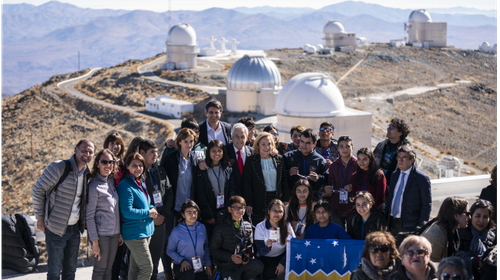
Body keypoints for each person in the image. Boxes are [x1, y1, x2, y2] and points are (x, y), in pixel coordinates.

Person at [32, 139, 95, 280]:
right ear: (76, 149)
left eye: (90, 152)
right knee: (54, 272)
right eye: (84, 150)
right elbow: (38, 191)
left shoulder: (87, 174)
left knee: (70, 272)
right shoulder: (59, 167)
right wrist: (40, 218)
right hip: (55, 228)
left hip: (74, 230)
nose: (87, 153)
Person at [161, 128, 200, 280]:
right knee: (168, 241)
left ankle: (181, 270)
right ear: (179, 142)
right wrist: (166, 207)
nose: (189, 144)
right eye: (186, 141)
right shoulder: (170, 159)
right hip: (172, 208)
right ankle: (167, 272)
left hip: (188, 210)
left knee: (185, 242)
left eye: (191, 141)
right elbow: (163, 184)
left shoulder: (195, 159)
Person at [117, 153, 158, 280]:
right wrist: (148, 213)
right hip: (134, 234)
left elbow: (147, 203)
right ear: (127, 166)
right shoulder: (125, 185)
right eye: (134, 165)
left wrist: (152, 208)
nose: (138, 168)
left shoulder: (141, 182)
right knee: (147, 268)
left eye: (140, 165)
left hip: (145, 231)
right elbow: (127, 211)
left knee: (134, 269)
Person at [138, 139, 174, 280]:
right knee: (143, 263)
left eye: (157, 152)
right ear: (142, 153)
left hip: (161, 222)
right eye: (152, 152)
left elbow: (169, 192)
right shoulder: (138, 172)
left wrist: (163, 215)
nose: (155, 155)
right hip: (145, 222)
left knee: (155, 260)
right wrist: (154, 216)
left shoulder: (160, 170)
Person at [87, 149, 122, 280]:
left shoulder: (111, 181)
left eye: (111, 162)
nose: (108, 165)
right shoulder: (94, 186)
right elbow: (89, 216)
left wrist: (119, 232)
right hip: (101, 236)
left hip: (114, 235)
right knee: (99, 270)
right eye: (104, 162)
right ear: (97, 164)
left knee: (109, 269)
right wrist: (95, 242)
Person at [210, 196, 264, 280]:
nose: (239, 210)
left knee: (258, 266)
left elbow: (250, 246)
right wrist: (230, 257)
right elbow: (214, 250)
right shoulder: (220, 227)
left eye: (241, 207)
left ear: (245, 209)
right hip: (227, 265)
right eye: (235, 207)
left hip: (242, 264)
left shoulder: (248, 225)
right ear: (229, 209)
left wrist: (248, 256)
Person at [113, 136, 143, 280]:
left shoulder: (139, 174)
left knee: (131, 260)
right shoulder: (126, 173)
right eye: (138, 147)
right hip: (119, 218)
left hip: (134, 222)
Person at [244, 132, 290, 225]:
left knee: (276, 227)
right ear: (258, 145)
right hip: (258, 200)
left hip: (276, 199)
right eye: (263, 144)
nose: (266, 147)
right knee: (260, 227)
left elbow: (284, 181)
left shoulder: (279, 159)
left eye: (269, 144)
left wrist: (286, 200)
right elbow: (247, 183)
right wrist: (249, 203)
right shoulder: (251, 160)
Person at [386, 145, 432, 236]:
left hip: (410, 225)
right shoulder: (394, 175)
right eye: (398, 158)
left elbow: (426, 205)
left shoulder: (421, 179)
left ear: (411, 160)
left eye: (404, 158)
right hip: (391, 223)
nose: (400, 161)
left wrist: (420, 227)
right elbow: (390, 198)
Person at [196, 140, 235, 240]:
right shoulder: (202, 169)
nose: (217, 153)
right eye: (213, 151)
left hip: (226, 211)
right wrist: (208, 214)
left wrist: (227, 210)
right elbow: (201, 193)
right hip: (210, 212)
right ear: (208, 152)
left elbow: (232, 189)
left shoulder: (228, 168)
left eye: (219, 150)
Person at [167, 200, 212, 280]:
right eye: (189, 213)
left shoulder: (202, 228)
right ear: (183, 214)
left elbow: (206, 247)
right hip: (182, 265)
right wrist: (182, 261)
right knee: (189, 276)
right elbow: (169, 250)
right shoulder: (176, 231)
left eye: (195, 212)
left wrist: (208, 265)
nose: (193, 215)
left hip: (198, 266)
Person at [255, 200, 295, 280]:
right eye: (274, 210)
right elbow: (260, 251)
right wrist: (268, 247)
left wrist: (282, 263)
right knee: (271, 272)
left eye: (280, 211)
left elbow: (293, 248)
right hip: (266, 256)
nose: (277, 214)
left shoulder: (287, 226)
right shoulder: (260, 227)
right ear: (269, 211)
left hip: (282, 255)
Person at [284, 128, 328, 201]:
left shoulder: (320, 160)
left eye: (307, 143)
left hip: (313, 200)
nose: (304, 145)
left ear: (314, 144)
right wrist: (289, 173)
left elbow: (326, 179)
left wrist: (317, 178)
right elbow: (280, 177)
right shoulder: (288, 157)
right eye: (302, 141)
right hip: (292, 200)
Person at [457, 199, 497, 279]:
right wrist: (476, 262)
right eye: (478, 216)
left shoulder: (492, 237)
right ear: (471, 216)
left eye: (485, 217)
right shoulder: (459, 233)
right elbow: (453, 258)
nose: (481, 221)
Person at [421, 197, 469, 262]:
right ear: (456, 216)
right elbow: (431, 265)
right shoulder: (437, 235)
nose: (469, 217)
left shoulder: (450, 230)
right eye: (467, 214)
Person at [323, 135, 357, 228]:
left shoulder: (358, 164)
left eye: (347, 146)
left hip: (354, 208)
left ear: (352, 148)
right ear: (337, 148)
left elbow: (364, 184)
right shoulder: (333, 166)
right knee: (337, 237)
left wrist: (354, 186)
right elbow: (328, 183)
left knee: (352, 237)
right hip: (336, 208)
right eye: (341, 146)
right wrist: (326, 189)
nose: (344, 149)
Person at [374, 118, 412, 185]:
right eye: (389, 126)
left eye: (392, 127)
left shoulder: (407, 152)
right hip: (378, 184)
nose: (388, 129)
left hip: (394, 187)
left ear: (399, 133)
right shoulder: (381, 146)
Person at [226, 123, 254, 196]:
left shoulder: (252, 152)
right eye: (237, 136)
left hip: (248, 196)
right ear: (232, 137)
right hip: (230, 196)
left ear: (247, 137)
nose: (239, 139)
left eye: (242, 137)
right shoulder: (225, 152)